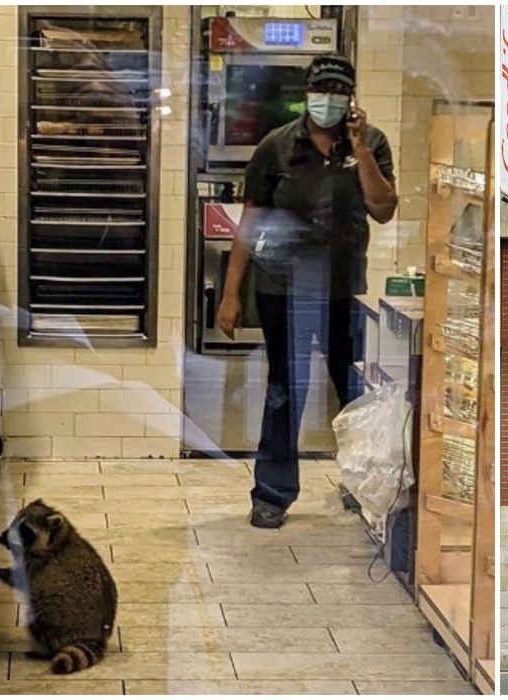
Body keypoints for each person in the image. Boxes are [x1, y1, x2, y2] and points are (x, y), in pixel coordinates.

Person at [217, 54, 398, 528]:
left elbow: (383, 209)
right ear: (308, 95)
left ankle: (362, 487)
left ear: (351, 99)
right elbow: (249, 223)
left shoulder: (372, 144)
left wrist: (359, 149)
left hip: (343, 291)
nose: (328, 101)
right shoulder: (276, 148)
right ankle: (272, 495)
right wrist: (231, 294)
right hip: (283, 289)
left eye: (339, 92)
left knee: (354, 392)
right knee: (285, 391)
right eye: (322, 92)